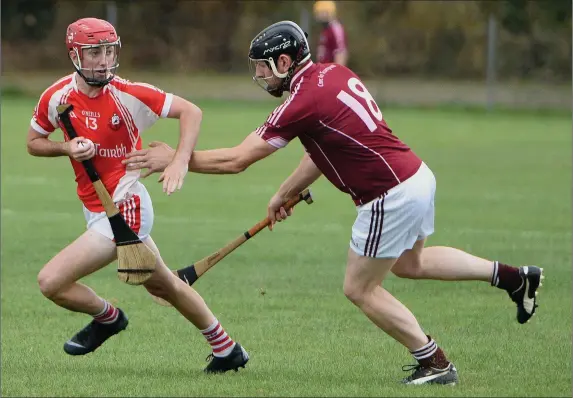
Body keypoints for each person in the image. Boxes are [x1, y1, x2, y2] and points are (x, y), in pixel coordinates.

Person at [122, 20, 544, 385]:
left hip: (388, 195)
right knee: (410, 264)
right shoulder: (332, 74)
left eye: (263, 68)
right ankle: (513, 277)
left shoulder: (301, 101)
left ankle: (433, 361)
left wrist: (174, 158)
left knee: (359, 288)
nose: (261, 77)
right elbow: (320, 152)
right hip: (416, 176)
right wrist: (283, 193)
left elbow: (237, 160)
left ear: (284, 63)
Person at [26, 17, 249, 374]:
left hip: (126, 207)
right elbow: (34, 143)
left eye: (108, 51)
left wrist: (180, 160)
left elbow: (191, 111)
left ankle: (108, 317)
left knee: (51, 281)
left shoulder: (129, 94)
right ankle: (227, 349)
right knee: (165, 286)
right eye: (93, 52)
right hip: (93, 206)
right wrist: (66, 147)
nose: (103, 60)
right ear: (74, 55)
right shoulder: (56, 97)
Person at [313, 1, 348, 66]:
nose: (318, 16)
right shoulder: (326, 29)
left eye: (319, 13)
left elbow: (340, 52)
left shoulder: (336, 28)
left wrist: (337, 72)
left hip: (331, 71)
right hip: (324, 70)